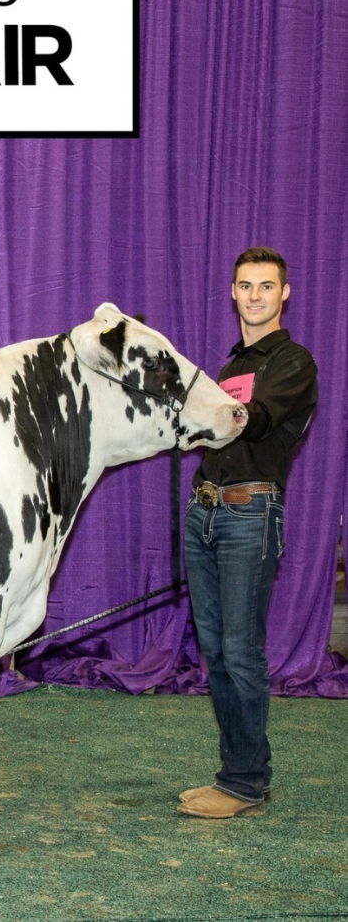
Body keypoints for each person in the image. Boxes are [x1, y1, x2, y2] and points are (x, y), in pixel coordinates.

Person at [177, 247, 317, 818]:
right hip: (205, 511)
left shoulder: (293, 362)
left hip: (249, 515)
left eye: (265, 286)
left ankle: (244, 783)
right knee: (215, 651)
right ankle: (234, 773)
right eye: (245, 286)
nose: (255, 295)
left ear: (284, 293)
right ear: (233, 293)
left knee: (240, 652)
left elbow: (253, 420)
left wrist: (202, 412)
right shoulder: (231, 366)